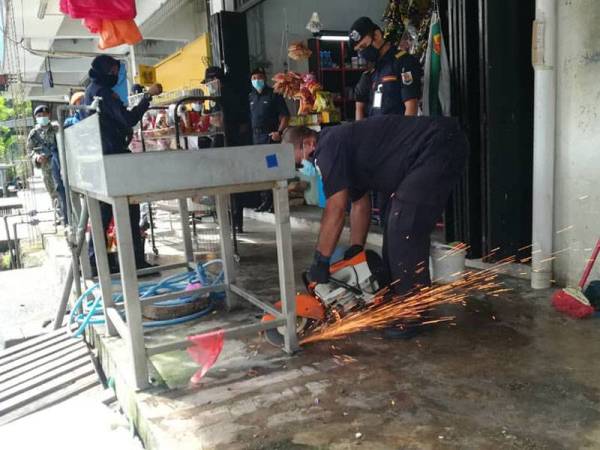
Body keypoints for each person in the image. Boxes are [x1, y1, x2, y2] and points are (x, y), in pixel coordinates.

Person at [300, 116, 468, 335]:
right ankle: (400, 296)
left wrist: (321, 260)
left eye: (301, 160)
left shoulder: (326, 147)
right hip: (431, 149)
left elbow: (336, 209)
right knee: (394, 223)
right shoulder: (340, 148)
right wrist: (356, 249)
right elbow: (359, 204)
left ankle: (413, 314)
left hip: (437, 144)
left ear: (309, 143)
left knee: (404, 225)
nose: (304, 166)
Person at [82, 55, 163, 275]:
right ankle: (134, 262)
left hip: (102, 159)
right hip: (114, 158)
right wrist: (147, 97)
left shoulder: (91, 91)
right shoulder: (103, 93)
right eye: (113, 71)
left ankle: (98, 263)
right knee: (129, 208)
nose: (116, 75)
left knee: (104, 214)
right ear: (104, 71)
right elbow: (128, 119)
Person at [349, 16, 422, 117]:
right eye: (359, 50)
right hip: (374, 126)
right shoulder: (372, 72)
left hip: (397, 126)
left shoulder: (404, 62)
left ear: (377, 35)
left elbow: (411, 107)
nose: (362, 53)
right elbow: (361, 106)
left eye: (364, 46)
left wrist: (406, 128)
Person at [249, 67, 290, 212]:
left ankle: (275, 202)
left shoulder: (274, 94)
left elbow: (285, 116)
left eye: (259, 77)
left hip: (270, 138)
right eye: (254, 78)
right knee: (260, 170)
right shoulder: (250, 97)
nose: (257, 80)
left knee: (272, 169)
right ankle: (265, 200)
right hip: (256, 139)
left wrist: (279, 132)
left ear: (265, 78)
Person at [27, 105, 61, 222]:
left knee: (64, 190)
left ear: (49, 115)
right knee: (53, 193)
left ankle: (68, 216)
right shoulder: (34, 133)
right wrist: (36, 157)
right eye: (39, 115)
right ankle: (60, 216)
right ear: (36, 118)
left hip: (61, 165)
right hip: (46, 168)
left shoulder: (56, 128)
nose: (43, 117)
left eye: (45, 115)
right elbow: (29, 150)